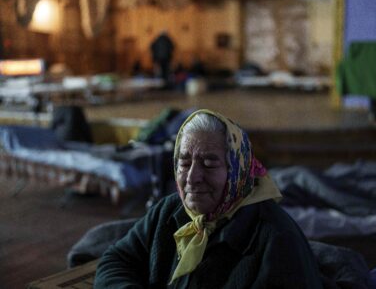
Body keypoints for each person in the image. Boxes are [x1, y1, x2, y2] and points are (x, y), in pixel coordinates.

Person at [94, 109, 323, 288]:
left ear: (237, 170)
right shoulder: (168, 211)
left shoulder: (275, 239)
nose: (192, 177)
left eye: (209, 163)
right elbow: (115, 260)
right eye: (184, 163)